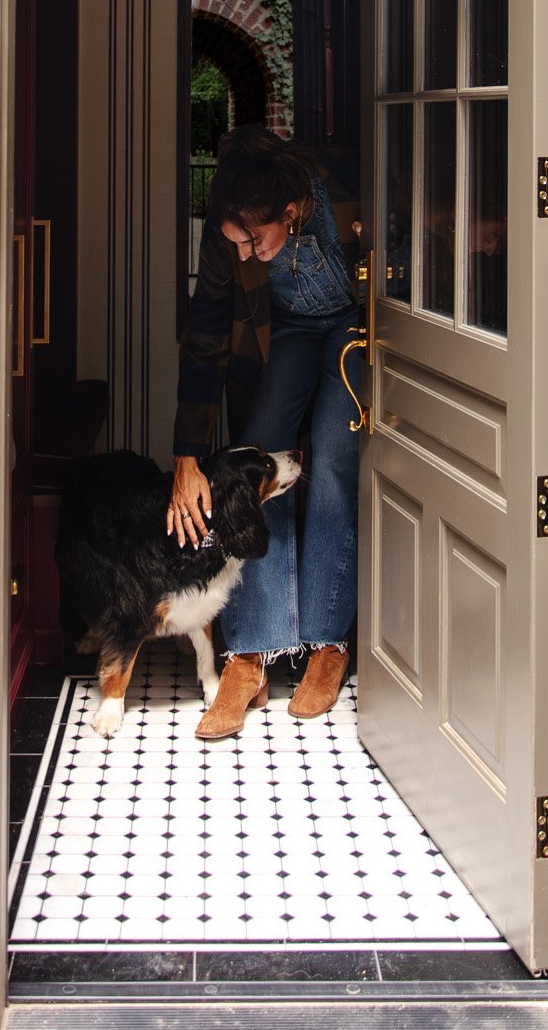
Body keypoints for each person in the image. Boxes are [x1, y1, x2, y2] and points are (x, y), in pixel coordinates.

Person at [168, 127, 365, 741]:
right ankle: (250, 653)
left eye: (257, 239)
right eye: (237, 241)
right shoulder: (229, 223)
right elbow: (205, 333)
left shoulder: (345, 186)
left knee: (332, 464)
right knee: (252, 469)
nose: (247, 253)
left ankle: (327, 644)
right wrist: (187, 456)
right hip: (285, 335)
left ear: (290, 210)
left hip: (356, 324)